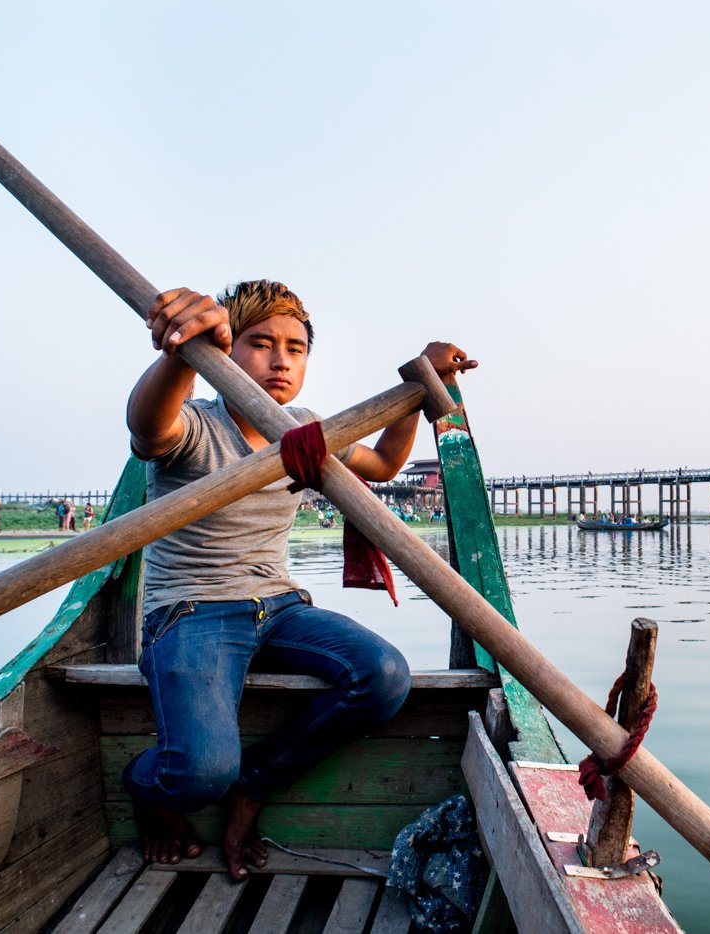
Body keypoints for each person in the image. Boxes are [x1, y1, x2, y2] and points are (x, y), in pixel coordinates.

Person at [121, 280, 475, 881]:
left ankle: (254, 786)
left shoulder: (304, 429)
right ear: (225, 352)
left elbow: (385, 466)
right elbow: (147, 425)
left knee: (384, 676)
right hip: (191, 611)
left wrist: (420, 390)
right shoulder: (195, 426)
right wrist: (181, 349)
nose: (282, 359)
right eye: (260, 343)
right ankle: (149, 790)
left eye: (297, 347)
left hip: (280, 608)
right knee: (199, 772)